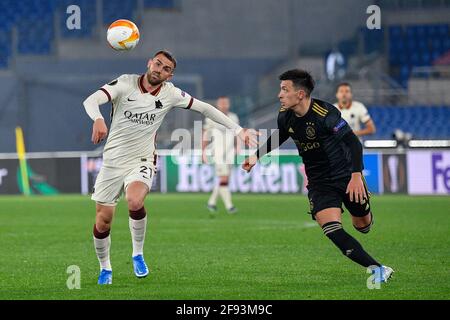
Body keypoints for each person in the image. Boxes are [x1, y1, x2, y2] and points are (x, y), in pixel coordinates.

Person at [83, 50, 258, 285]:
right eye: (157, 64)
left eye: (166, 68)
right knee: (103, 220)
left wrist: (239, 130)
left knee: (135, 201)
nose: (159, 69)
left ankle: (138, 254)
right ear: (149, 63)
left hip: (142, 159)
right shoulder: (125, 83)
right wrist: (98, 118)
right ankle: (105, 268)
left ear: (170, 75)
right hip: (113, 161)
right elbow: (91, 100)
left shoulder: (171, 94)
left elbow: (205, 109)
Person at [242, 69, 393, 283]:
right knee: (332, 229)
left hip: (346, 176)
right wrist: (257, 155)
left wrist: (357, 176)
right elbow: (281, 136)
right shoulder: (285, 116)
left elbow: (352, 142)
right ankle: (378, 269)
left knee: (363, 226)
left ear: (301, 94)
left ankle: (363, 208)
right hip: (319, 183)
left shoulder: (326, 113)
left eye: (284, 90)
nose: (279, 95)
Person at [202, 96, 240, 214]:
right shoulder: (211, 117)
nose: (224, 105)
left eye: (226, 103)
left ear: (228, 104)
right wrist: (203, 151)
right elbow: (205, 134)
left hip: (230, 153)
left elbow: (237, 133)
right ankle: (230, 206)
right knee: (223, 178)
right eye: (222, 103)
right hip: (218, 153)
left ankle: (211, 202)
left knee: (225, 179)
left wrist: (237, 147)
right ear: (218, 104)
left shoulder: (233, 117)